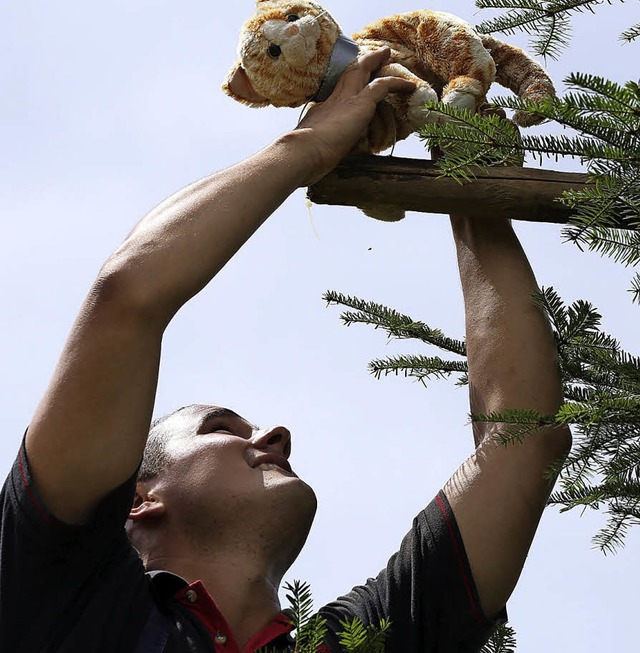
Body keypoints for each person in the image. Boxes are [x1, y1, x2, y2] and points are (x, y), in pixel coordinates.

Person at [0, 47, 570, 653]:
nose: (276, 436)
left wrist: (469, 185)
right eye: (221, 428)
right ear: (141, 502)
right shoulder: (62, 594)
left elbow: (522, 438)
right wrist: (306, 148)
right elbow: (125, 299)